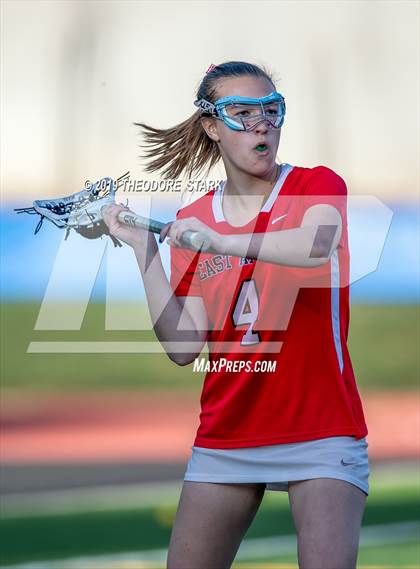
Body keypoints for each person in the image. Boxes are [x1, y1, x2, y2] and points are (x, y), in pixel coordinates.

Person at [103, 61, 370, 569]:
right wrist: (145, 251)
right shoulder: (193, 220)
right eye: (242, 112)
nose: (262, 122)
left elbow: (316, 247)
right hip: (228, 434)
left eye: (271, 109)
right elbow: (184, 348)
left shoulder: (316, 184)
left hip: (321, 429)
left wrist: (222, 242)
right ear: (212, 127)